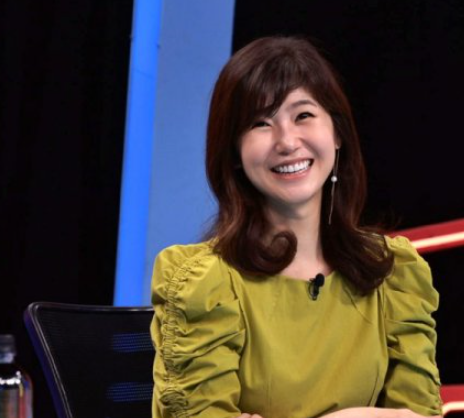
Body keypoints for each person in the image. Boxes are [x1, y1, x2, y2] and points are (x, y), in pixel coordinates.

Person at [150, 36, 442, 418]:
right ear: (235, 152)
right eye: (260, 123)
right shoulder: (203, 284)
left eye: (303, 115)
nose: (287, 141)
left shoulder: (393, 274)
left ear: (337, 134)